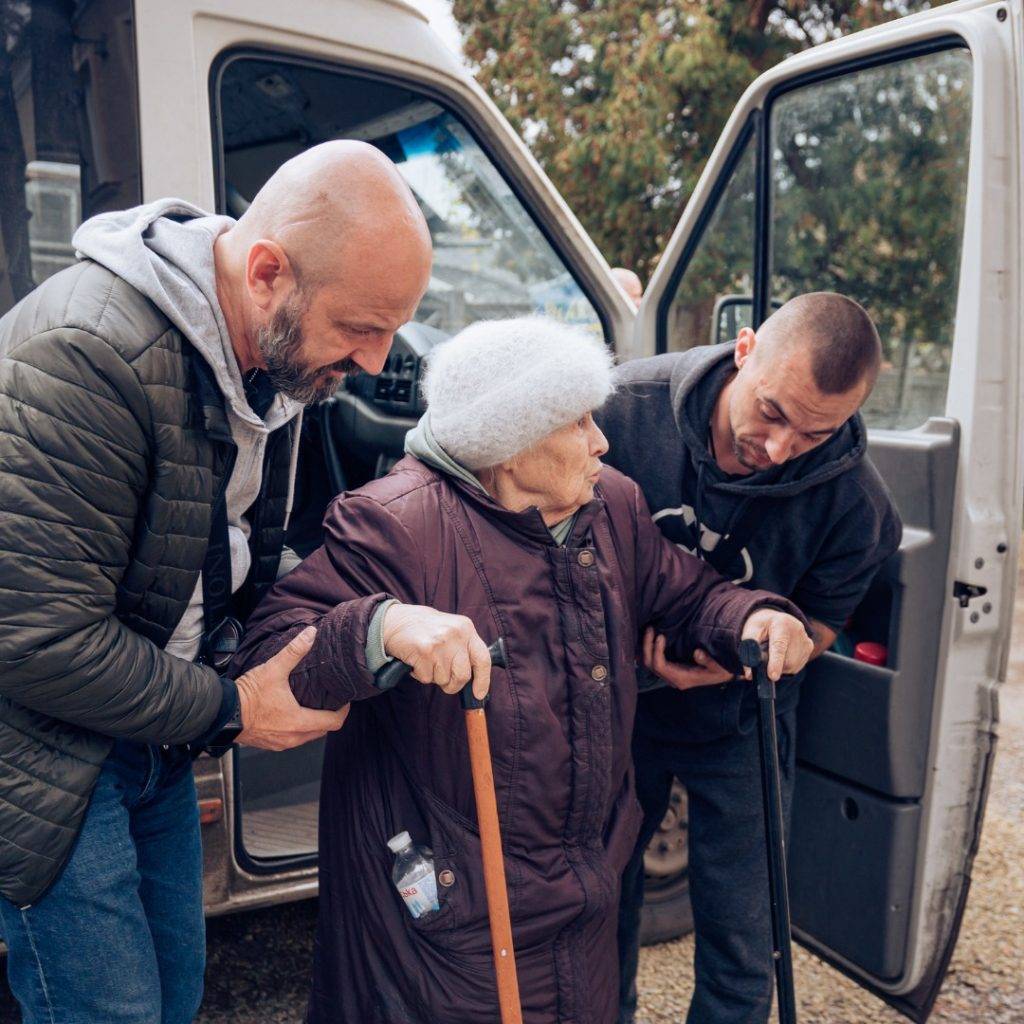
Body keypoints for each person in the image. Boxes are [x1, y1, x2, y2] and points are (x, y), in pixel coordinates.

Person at [232, 316, 815, 1024]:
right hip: (452, 916)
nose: (601, 441)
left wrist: (753, 618)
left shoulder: (611, 505)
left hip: (584, 889)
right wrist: (382, 627)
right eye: (577, 423)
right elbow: (271, 661)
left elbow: (688, 593)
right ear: (507, 444)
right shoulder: (395, 523)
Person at [0, 140, 432, 1023]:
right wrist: (236, 709)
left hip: (151, 737)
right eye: (360, 328)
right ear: (267, 271)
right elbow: (34, 638)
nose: (376, 360)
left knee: (176, 997)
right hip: (48, 753)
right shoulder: (87, 355)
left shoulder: (269, 363)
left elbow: (238, 557)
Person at [602, 293, 902, 1024]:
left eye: (813, 433)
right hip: (615, 697)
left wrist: (736, 666)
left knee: (743, 935)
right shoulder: (621, 410)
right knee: (600, 902)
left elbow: (826, 624)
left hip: (744, 720)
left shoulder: (857, 505)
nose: (779, 448)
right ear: (743, 350)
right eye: (771, 411)